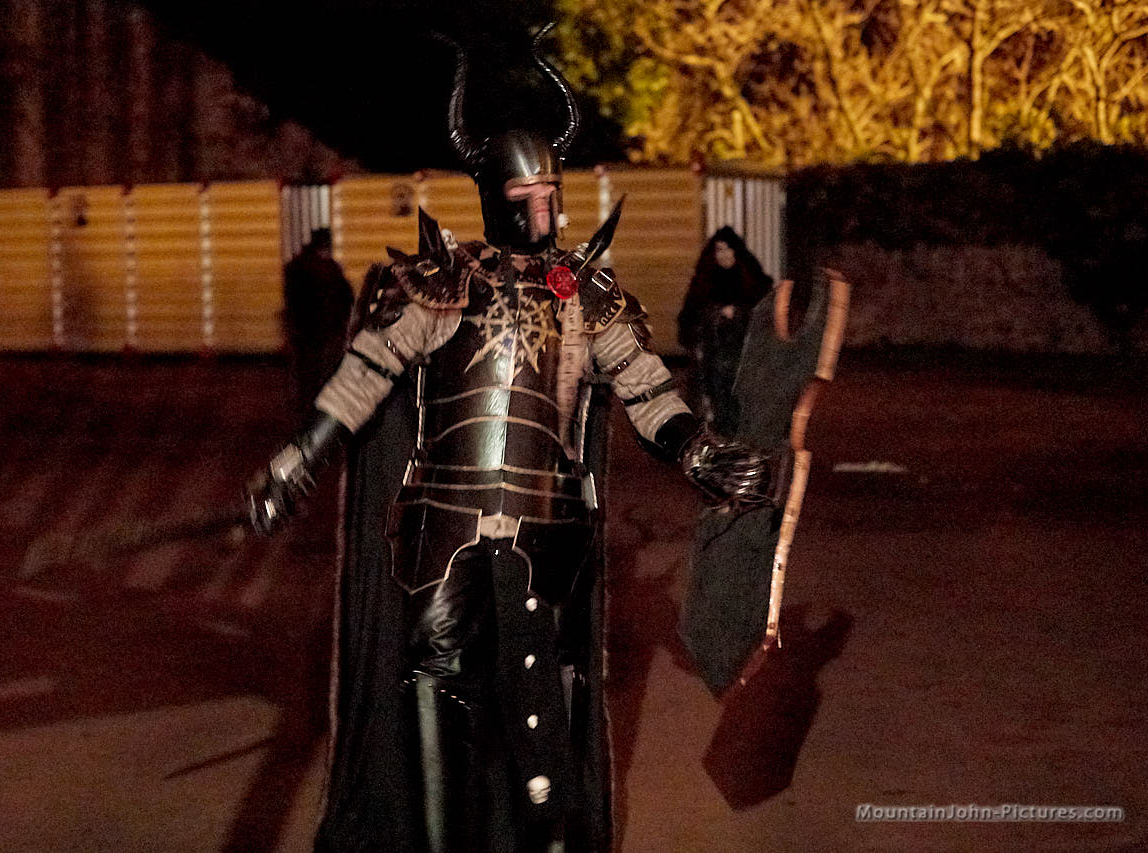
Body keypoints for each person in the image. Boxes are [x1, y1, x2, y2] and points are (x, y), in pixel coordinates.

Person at [243, 29, 786, 853]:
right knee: (435, 678)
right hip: (441, 523)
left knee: (545, 689)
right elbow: (364, 375)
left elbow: (645, 388)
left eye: (551, 193)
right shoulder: (442, 280)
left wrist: (699, 452)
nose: (545, 210)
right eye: (528, 195)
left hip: (547, 522)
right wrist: (296, 460)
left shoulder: (583, 290)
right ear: (496, 198)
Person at [677, 226, 772, 430]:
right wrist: (717, 314)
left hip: (743, 346)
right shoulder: (706, 278)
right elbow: (691, 314)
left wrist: (738, 313)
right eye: (718, 250)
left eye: (727, 249)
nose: (723, 255)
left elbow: (763, 309)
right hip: (712, 347)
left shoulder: (749, 275)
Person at [282, 228, 354, 429]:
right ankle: (319, 417)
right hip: (325, 333)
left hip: (303, 333)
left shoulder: (295, 267)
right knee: (323, 376)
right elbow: (346, 298)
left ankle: (304, 417)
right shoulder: (330, 269)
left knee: (304, 377)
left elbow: (291, 301)